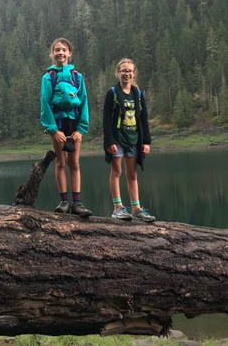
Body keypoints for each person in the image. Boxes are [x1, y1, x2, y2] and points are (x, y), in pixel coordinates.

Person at [40, 37, 92, 217]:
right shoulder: (48, 78)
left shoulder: (77, 77)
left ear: (69, 53)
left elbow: (84, 101)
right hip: (58, 125)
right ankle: (64, 202)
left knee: (74, 163)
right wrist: (54, 130)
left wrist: (81, 129)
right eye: (57, 50)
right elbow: (45, 103)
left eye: (64, 49)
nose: (60, 53)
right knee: (61, 162)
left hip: (74, 123)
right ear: (52, 54)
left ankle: (77, 203)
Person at [102, 58, 156, 222]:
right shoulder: (112, 93)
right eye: (124, 70)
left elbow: (144, 119)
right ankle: (117, 207)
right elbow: (106, 119)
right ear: (118, 73)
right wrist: (110, 141)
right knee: (116, 172)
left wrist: (146, 141)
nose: (127, 73)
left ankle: (136, 208)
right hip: (117, 140)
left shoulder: (138, 94)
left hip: (134, 139)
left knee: (132, 174)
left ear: (134, 73)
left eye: (130, 71)